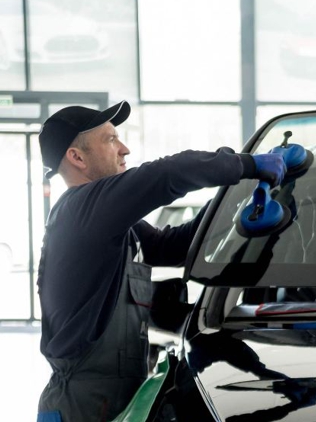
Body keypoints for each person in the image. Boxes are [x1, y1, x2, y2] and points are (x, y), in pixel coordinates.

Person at [35, 100, 288, 422]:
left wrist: (236, 209)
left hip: (114, 398)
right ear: (77, 157)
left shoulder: (109, 225)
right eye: (110, 139)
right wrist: (246, 165)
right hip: (82, 406)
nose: (124, 149)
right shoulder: (80, 210)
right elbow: (169, 172)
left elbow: (172, 247)